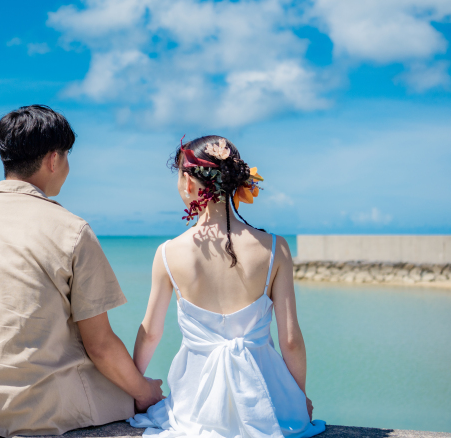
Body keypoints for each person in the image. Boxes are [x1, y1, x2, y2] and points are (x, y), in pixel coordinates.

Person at [0, 105, 163, 436]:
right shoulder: (71, 230)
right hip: (33, 408)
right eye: (67, 155)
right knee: (127, 391)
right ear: (54, 159)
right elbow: (100, 345)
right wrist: (144, 392)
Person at [129, 135, 326, 438]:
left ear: (188, 181)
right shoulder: (276, 248)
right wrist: (297, 400)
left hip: (195, 408)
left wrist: (134, 388)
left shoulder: (168, 253)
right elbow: (291, 341)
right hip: (269, 404)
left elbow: (151, 333)